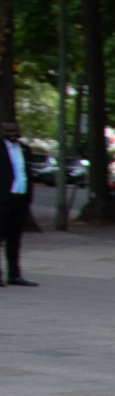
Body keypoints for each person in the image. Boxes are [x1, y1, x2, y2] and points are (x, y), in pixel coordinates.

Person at [1, 122, 34, 285]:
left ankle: (14, 275)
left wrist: (28, 198)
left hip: (21, 199)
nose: (11, 133)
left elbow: (27, 173)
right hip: (3, 200)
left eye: (14, 129)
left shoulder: (24, 149)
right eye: (8, 130)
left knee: (15, 239)